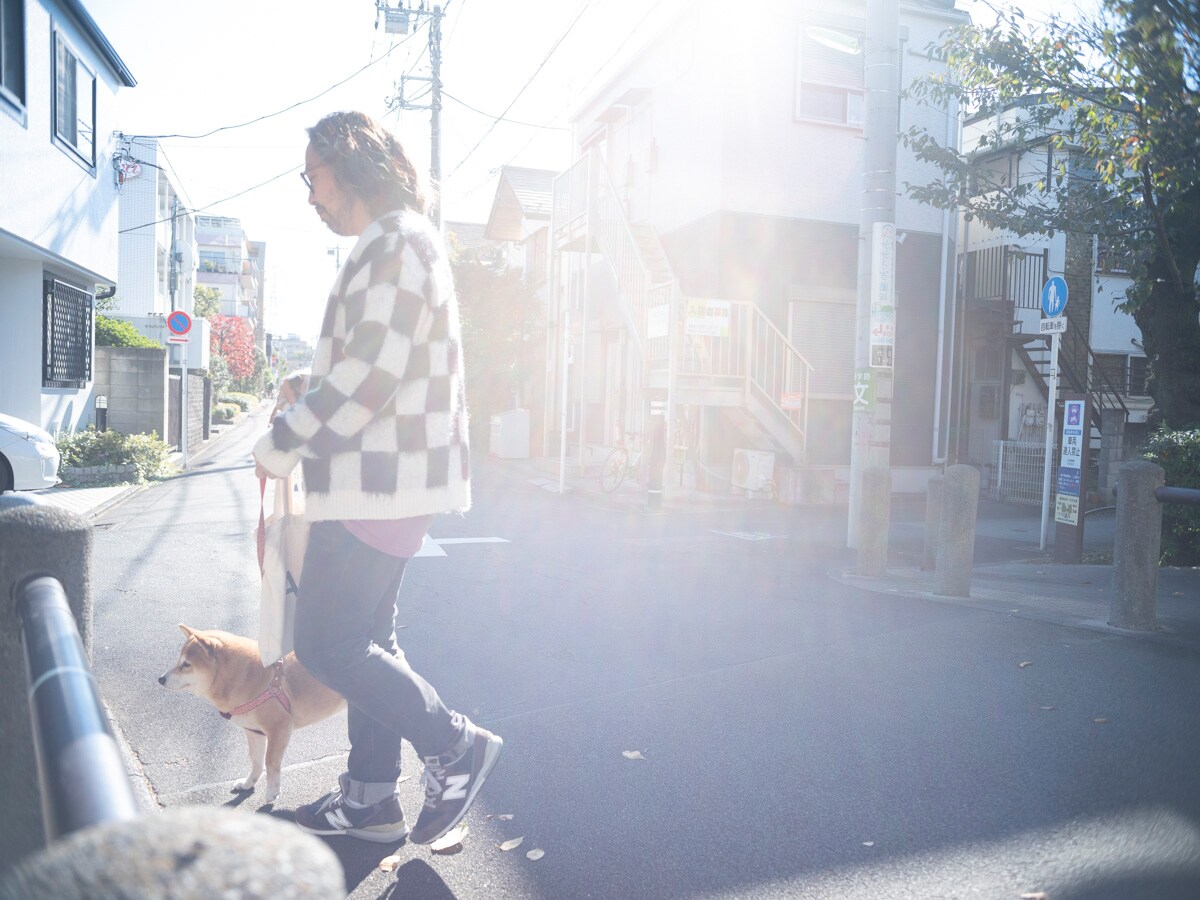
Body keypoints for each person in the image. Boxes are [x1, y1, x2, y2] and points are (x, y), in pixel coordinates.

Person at [253, 110, 502, 845]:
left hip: (378, 478)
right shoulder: (395, 241)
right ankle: (369, 799)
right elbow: (375, 362)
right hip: (387, 476)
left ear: (350, 163)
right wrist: (311, 379)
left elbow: (370, 376)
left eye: (313, 177)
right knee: (366, 637)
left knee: (328, 647)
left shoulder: (394, 240)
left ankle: (456, 746)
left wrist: (281, 443)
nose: (309, 196)